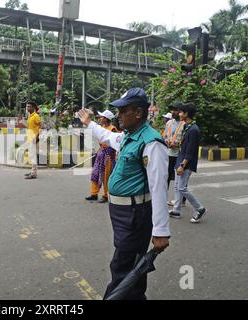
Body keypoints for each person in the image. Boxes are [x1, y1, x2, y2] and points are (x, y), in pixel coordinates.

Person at [78, 88, 170, 300]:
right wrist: (88, 122)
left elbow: (158, 189)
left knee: (122, 264)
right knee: (132, 265)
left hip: (135, 213)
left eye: (122, 110)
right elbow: (108, 137)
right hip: (123, 213)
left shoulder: (151, 142)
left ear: (137, 113)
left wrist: (161, 230)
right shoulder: (130, 136)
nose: (118, 115)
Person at [169, 103, 206, 223]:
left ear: (186, 114)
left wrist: (182, 165)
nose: (179, 114)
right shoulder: (187, 126)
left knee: (182, 188)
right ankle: (176, 210)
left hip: (186, 163)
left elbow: (190, 152)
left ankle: (199, 208)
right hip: (180, 159)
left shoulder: (194, 130)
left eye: (181, 112)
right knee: (177, 187)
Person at [85, 110, 118, 203]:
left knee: (106, 176)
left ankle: (106, 195)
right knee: (95, 174)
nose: (100, 119)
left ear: (106, 119)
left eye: (102, 117)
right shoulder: (102, 127)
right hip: (100, 153)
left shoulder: (113, 129)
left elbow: (113, 144)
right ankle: (94, 193)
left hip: (108, 155)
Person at [164, 104, 186, 207]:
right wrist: (166, 142)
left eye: (176, 110)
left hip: (179, 154)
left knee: (180, 178)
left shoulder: (184, 124)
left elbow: (186, 139)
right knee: (167, 176)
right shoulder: (168, 123)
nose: (173, 112)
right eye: (172, 110)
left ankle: (182, 200)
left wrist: (177, 144)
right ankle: (164, 198)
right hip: (169, 154)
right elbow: (165, 136)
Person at [24, 101, 41, 180]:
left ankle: (34, 174)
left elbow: (41, 126)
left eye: (29, 106)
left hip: (34, 138)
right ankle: (32, 171)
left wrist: (37, 137)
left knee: (33, 156)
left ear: (33, 108)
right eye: (27, 106)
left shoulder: (36, 116)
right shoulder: (30, 116)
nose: (28, 108)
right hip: (30, 138)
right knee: (31, 155)